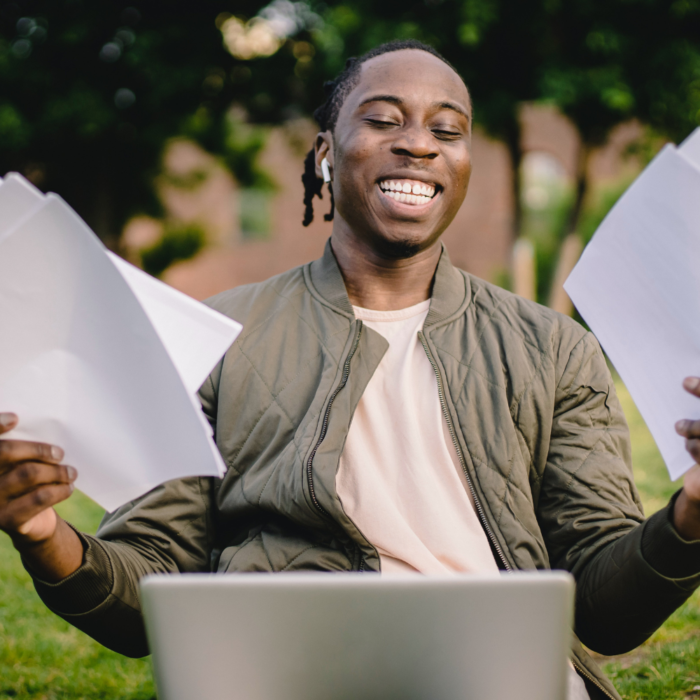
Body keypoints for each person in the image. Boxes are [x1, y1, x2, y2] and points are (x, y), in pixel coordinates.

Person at [1, 40, 700, 700]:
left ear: (461, 167)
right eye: (384, 119)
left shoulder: (553, 350)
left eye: (447, 130)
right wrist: (44, 536)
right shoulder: (214, 339)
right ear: (327, 154)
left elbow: (607, 611)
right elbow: (144, 599)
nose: (419, 142)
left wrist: (690, 517)